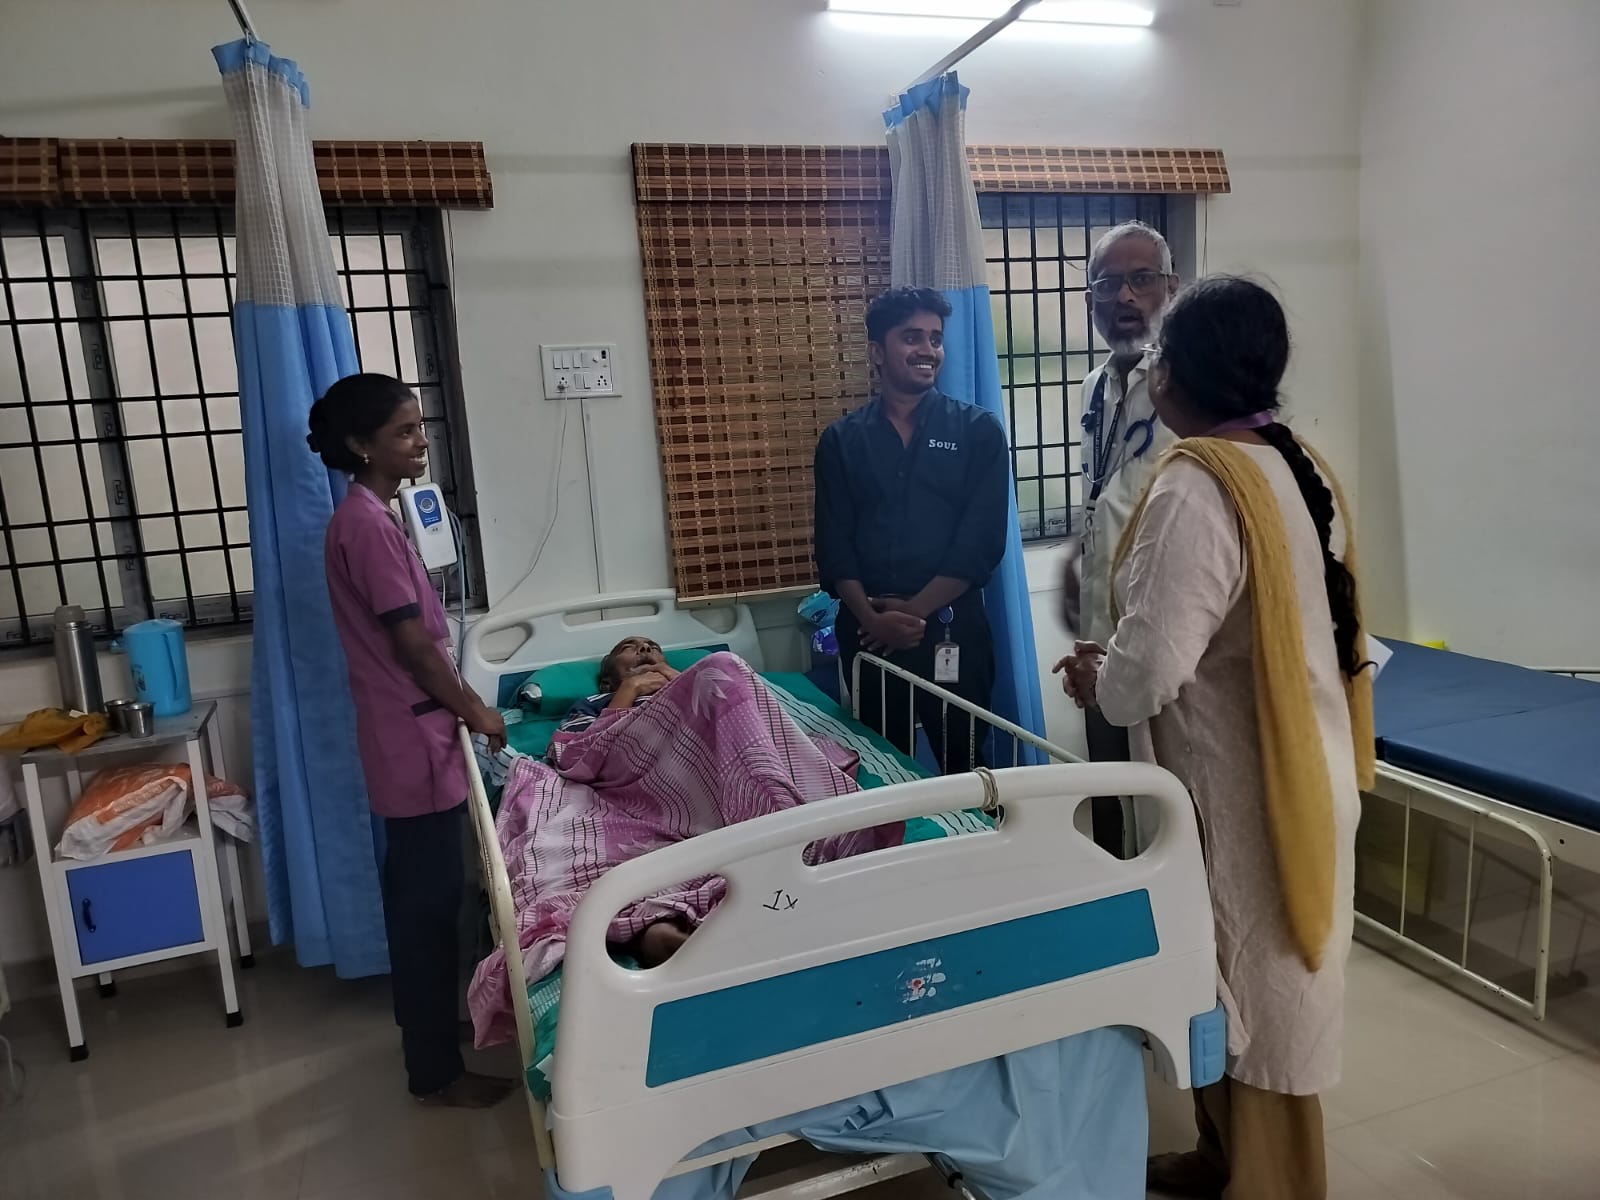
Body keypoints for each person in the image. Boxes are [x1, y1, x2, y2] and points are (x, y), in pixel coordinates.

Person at [1055, 278, 1374, 1200]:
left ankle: (1271, 1181)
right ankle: (1221, 1158)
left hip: (1245, 793)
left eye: (1160, 352)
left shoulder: (1197, 486)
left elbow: (1149, 671)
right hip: (1302, 765)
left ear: (1177, 374)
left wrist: (1098, 677)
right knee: (1235, 980)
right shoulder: (1299, 465)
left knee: (1257, 996)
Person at [307, 373, 513, 1109]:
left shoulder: (376, 516)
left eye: (420, 426)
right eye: (403, 431)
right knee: (427, 907)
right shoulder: (363, 526)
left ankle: (432, 1032)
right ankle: (433, 1072)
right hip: (413, 737)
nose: (420, 440)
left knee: (431, 897)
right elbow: (416, 648)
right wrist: (476, 711)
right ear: (361, 445)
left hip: (416, 732)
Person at [813, 286, 1010, 774]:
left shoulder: (977, 431)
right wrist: (872, 619)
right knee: (885, 769)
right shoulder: (842, 441)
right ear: (877, 352)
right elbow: (835, 547)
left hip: (952, 628)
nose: (928, 350)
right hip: (868, 631)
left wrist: (914, 612)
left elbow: (981, 544)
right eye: (911, 337)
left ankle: (974, 829)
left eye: (935, 339)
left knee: (967, 766)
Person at [1062, 221, 1180, 854]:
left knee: (1168, 799)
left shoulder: (1189, 388)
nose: (1125, 297)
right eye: (1108, 284)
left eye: (1142, 280)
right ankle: (1114, 887)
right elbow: (1105, 494)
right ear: (1090, 300)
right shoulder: (1093, 388)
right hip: (1098, 623)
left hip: (1163, 629)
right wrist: (1074, 561)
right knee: (1106, 779)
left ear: (1171, 288)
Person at [549, 636, 679, 742]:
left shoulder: (686, 683)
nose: (646, 647)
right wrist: (629, 689)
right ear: (607, 682)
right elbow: (573, 755)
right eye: (628, 647)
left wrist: (680, 680)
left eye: (654, 648)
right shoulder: (591, 704)